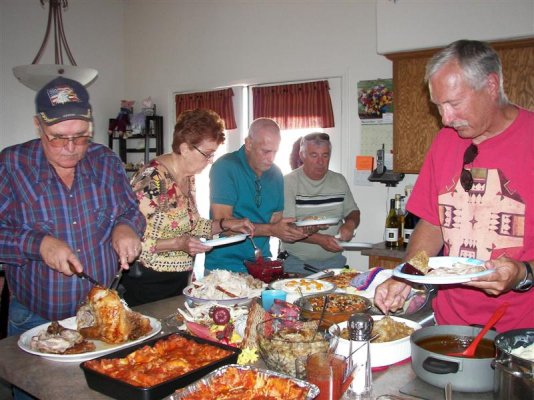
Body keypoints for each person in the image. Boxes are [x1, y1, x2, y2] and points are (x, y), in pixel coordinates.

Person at [0, 77, 146, 399]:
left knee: (97, 394)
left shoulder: (106, 162)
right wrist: (38, 244)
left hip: (102, 313)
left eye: (80, 137)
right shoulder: (10, 165)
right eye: (59, 138)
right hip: (36, 319)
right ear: (39, 126)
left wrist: (126, 228)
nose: (71, 148)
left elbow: (131, 211)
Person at [374, 40, 534, 332]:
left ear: (491, 85)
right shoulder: (445, 142)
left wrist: (523, 273)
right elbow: (434, 224)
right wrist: (408, 274)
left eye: (454, 104)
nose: (445, 119)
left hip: (522, 333)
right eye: (438, 106)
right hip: (449, 324)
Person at [121, 109, 255, 306]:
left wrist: (227, 224)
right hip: (147, 283)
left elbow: (194, 225)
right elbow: (129, 241)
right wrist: (177, 244)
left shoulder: (188, 177)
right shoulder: (151, 180)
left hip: (179, 280)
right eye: (207, 155)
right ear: (184, 148)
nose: (210, 161)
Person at [205, 118, 308, 272]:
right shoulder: (225, 167)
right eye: (266, 151)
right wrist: (272, 230)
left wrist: (302, 229)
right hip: (225, 267)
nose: (271, 158)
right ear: (249, 144)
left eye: (275, 152)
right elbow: (223, 224)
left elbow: (275, 221)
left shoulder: (276, 174)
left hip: (261, 264)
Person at [281, 133, 360, 275]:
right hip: (297, 264)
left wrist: (350, 224)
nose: (320, 162)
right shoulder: (288, 182)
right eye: (314, 155)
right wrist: (321, 240)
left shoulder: (339, 180)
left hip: (335, 263)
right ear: (302, 155)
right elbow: (287, 228)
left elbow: (353, 212)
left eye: (325, 155)